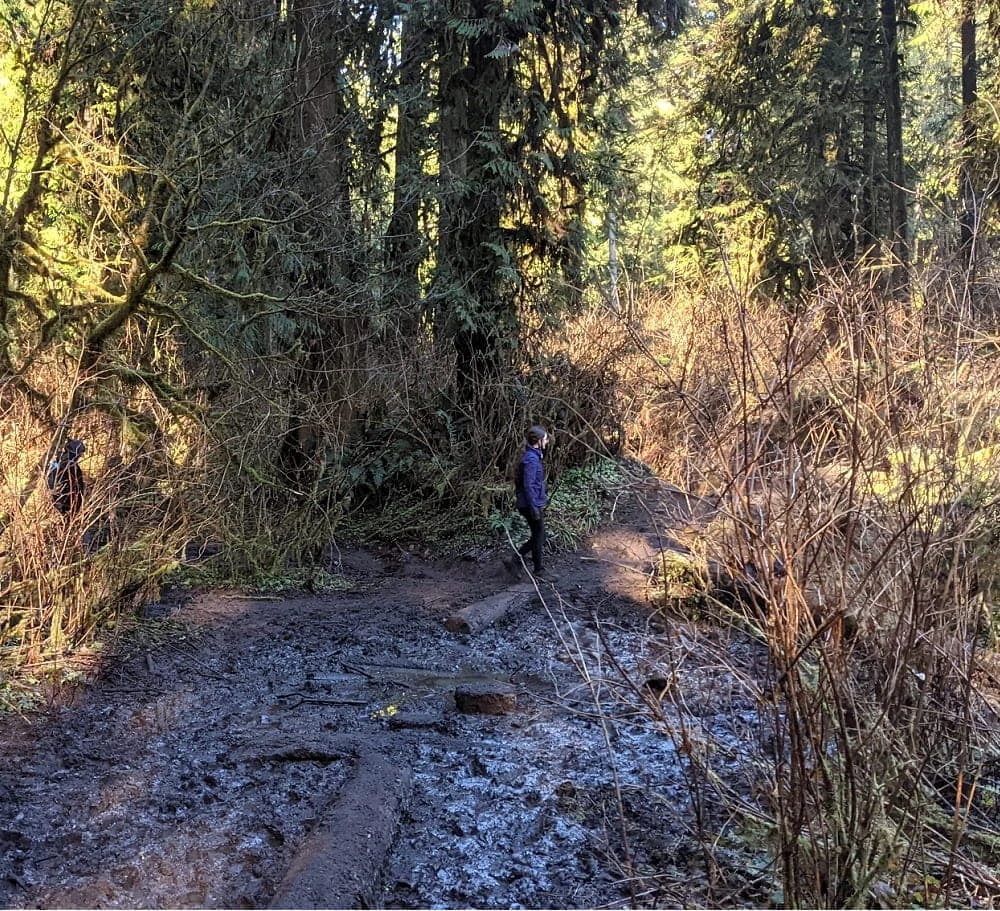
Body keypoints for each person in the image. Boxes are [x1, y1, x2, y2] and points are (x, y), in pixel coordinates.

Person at [512, 424, 554, 581]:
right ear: (538, 441)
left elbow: (533, 482)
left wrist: (543, 489)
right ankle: (537, 570)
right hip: (529, 505)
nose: (548, 441)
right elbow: (528, 485)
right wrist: (534, 507)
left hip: (531, 503)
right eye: (546, 439)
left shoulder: (534, 456)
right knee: (539, 536)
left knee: (538, 535)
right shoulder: (531, 459)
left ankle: (518, 560)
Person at [47, 438, 86, 518]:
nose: (80, 456)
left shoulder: (56, 462)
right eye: (80, 454)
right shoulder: (69, 466)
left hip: (59, 503)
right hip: (64, 504)